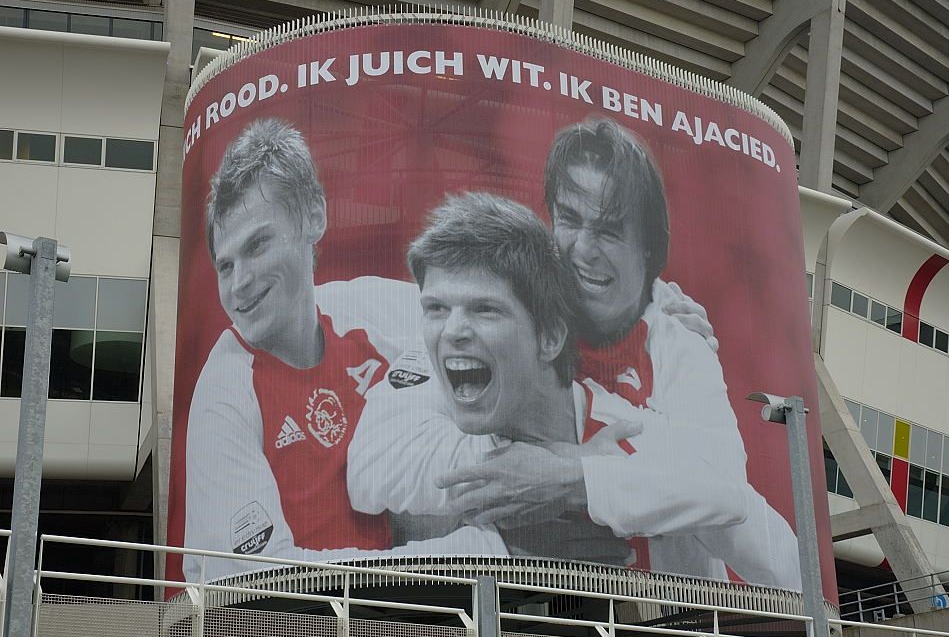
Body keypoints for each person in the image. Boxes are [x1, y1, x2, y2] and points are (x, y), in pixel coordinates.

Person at [449, 117, 801, 587]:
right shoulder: (517, 312)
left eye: (610, 231)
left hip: (665, 626)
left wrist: (572, 477)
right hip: (537, 613)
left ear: (649, 248)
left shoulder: (677, 338)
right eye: (570, 220)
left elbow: (726, 496)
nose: (584, 250)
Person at [349, 193, 750, 570]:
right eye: (435, 307)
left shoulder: (643, 391)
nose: (453, 328)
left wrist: (574, 482)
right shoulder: (429, 359)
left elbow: (731, 500)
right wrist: (561, 473)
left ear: (551, 336)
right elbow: (370, 473)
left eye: (485, 309)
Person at [182, 118, 503, 582]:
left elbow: (501, 348)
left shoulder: (375, 312)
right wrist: (475, 552)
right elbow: (254, 583)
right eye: (225, 265)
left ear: (314, 217)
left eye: (257, 245)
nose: (239, 284)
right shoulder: (225, 390)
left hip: (399, 620)